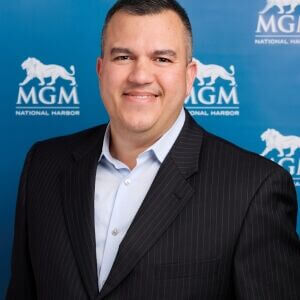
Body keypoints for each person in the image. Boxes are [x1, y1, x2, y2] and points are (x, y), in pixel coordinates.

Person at [6, 0, 300, 299]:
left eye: (162, 59)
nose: (140, 76)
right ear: (100, 70)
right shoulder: (43, 165)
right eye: (123, 56)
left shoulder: (254, 188)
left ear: (189, 77)